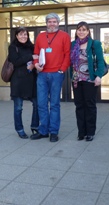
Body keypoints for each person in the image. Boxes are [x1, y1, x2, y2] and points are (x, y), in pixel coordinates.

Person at [31, 13, 71, 142]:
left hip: (56, 74)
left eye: (54, 21)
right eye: (49, 22)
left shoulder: (64, 36)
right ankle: (43, 131)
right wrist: (36, 64)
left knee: (54, 104)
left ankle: (53, 132)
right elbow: (35, 53)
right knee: (42, 104)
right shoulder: (41, 36)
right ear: (46, 23)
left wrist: (62, 70)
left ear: (58, 23)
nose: (52, 24)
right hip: (42, 74)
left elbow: (67, 54)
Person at [70, 21, 105, 141]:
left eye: (84, 30)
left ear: (88, 31)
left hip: (90, 79)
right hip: (76, 80)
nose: (81, 32)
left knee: (90, 106)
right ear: (76, 31)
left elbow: (100, 61)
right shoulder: (73, 44)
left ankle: (90, 132)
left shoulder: (95, 44)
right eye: (79, 29)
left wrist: (99, 76)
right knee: (79, 106)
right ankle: (81, 132)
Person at [8, 27, 39, 139]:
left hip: (32, 80)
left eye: (25, 34)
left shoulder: (32, 46)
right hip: (18, 81)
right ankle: (19, 129)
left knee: (37, 104)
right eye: (20, 34)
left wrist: (34, 65)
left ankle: (35, 126)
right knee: (18, 107)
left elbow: (37, 59)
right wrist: (30, 57)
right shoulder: (13, 47)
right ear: (16, 36)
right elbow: (15, 62)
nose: (23, 36)